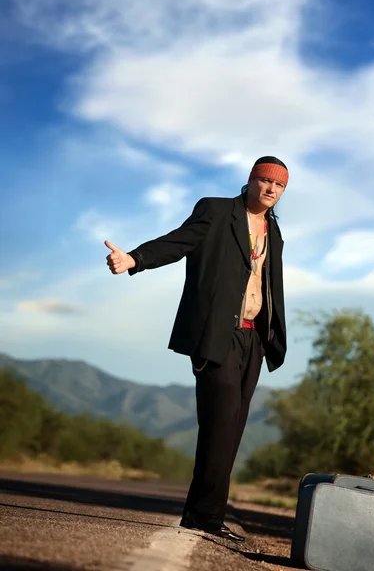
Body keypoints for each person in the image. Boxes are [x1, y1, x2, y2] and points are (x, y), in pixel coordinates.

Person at [105, 155, 288, 541]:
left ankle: (203, 514)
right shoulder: (217, 211)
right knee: (219, 423)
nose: (271, 189)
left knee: (233, 427)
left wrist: (270, 336)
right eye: (265, 181)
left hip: (254, 339)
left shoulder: (275, 232)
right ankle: (205, 515)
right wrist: (135, 259)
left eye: (280, 185)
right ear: (251, 180)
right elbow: (178, 242)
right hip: (216, 336)